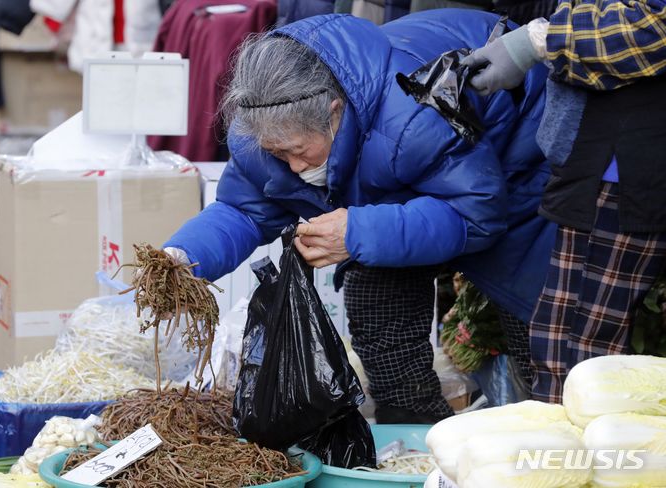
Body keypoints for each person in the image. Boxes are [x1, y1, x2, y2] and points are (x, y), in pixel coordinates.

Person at [165, 9, 554, 422]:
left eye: (298, 152)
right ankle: (415, 430)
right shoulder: (263, 131)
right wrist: (183, 257)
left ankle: (549, 433)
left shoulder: (409, 115)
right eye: (278, 154)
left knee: (539, 332)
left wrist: (358, 230)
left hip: (520, 167)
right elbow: (243, 209)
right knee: (375, 290)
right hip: (422, 173)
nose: (292, 167)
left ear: (334, 113)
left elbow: (476, 213)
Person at [463, 0, 666, 402]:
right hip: (589, 156)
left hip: (627, 164)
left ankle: (577, 458)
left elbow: (655, 28)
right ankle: (558, 454)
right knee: (556, 340)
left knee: (584, 352)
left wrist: (539, 40)